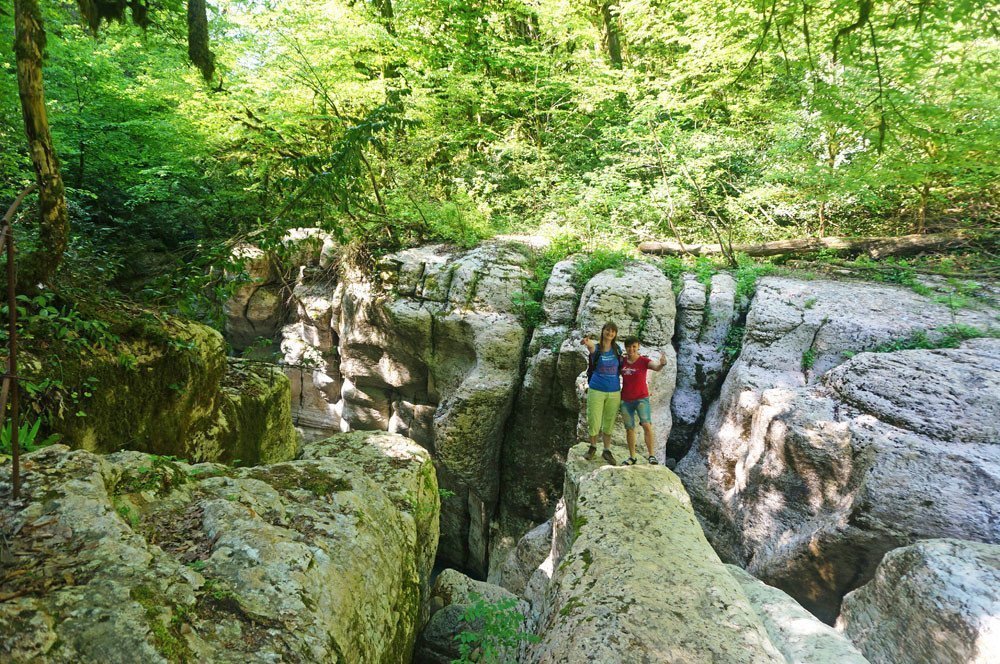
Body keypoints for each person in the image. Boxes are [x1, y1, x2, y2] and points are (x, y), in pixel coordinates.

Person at [618, 336, 668, 465]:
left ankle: (651, 455)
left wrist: (661, 364)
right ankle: (632, 457)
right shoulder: (622, 361)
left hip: (641, 399)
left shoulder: (643, 361)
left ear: (638, 347)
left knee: (646, 425)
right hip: (626, 400)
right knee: (629, 428)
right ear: (625, 347)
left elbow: (656, 367)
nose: (631, 349)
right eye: (629, 346)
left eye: (634, 346)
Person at [581, 322, 622, 465]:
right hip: (597, 389)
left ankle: (606, 450)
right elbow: (591, 347)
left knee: (609, 421)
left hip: (614, 391)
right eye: (608, 330)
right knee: (594, 419)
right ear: (603, 331)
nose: (610, 333)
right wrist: (587, 342)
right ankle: (592, 447)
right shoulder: (597, 348)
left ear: (615, 334)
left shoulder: (617, 350)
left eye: (613, 331)